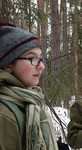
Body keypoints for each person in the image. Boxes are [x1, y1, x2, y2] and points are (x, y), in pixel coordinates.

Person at [0, 20, 58, 150]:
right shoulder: (4, 116)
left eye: (41, 58)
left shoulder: (28, 102)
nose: (41, 66)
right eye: (33, 59)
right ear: (8, 65)